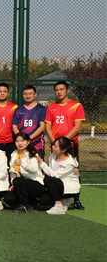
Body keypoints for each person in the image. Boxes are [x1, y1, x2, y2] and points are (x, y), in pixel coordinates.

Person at [45, 80, 85, 210]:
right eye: (56, 90)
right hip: (56, 146)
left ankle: (77, 200)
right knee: (55, 171)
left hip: (71, 145)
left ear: (68, 90)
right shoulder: (51, 107)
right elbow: (48, 126)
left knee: (75, 172)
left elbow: (78, 126)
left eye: (61, 89)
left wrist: (63, 141)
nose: (59, 92)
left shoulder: (76, 106)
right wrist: (55, 142)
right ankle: (60, 197)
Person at [6, 133, 45, 214]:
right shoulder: (14, 154)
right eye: (17, 141)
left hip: (35, 183)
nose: (20, 143)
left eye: (22, 141)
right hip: (20, 184)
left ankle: (23, 205)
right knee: (8, 198)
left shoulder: (33, 153)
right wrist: (13, 184)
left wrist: (22, 164)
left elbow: (34, 169)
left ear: (28, 142)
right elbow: (12, 172)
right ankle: (31, 202)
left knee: (18, 181)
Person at [40, 137, 81, 215]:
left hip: (68, 189)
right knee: (44, 200)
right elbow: (50, 171)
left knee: (49, 179)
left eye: (55, 146)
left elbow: (55, 175)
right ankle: (65, 200)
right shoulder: (52, 156)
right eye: (53, 145)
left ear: (64, 150)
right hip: (57, 186)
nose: (52, 147)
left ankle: (58, 206)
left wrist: (41, 163)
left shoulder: (70, 163)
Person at [12, 84, 47, 158]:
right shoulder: (18, 110)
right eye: (25, 94)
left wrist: (29, 139)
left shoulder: (42, 109)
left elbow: (42, 127)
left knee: (37, 164)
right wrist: (21, 139)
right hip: (22, 145)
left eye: (30, 93)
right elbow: (14, 126)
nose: (28, 96)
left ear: (35, 94)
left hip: (37, 144)